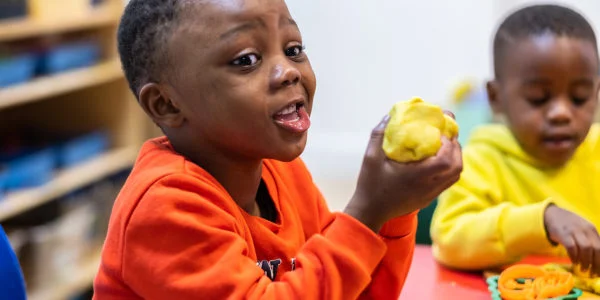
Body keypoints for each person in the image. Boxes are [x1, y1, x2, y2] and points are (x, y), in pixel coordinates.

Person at [93, 0, 462, 299]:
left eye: (293, 49)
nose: (288, 71)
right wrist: (368, 211)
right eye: (246, 60)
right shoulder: (164, 208)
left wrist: (395, 211)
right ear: (167, 105)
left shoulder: (282, 171)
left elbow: (357, 290)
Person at [431, 4, 600, 275]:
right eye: (538, 98)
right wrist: (541, 221)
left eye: (579, 97)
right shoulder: (481, 159)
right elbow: (449, 240)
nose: (561, 113)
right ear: (496, 98)